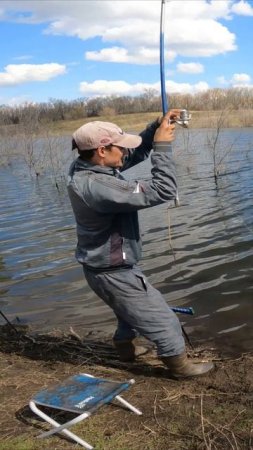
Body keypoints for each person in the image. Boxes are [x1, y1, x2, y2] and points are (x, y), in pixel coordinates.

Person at [67, 110, 214, 378]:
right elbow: (164, 190)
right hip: (113, 272)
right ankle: (180, 367)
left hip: (104, 268)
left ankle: (125, 349)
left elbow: (132, 156)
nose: (125, 153)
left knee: (129, 313)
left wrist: (155, 127)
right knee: (164, 320)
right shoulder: (98, 186)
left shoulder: (86, 167)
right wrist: (162, 146)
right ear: (102, 150)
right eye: (120, 147)